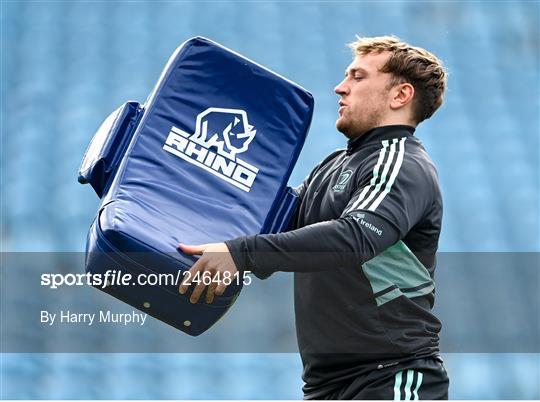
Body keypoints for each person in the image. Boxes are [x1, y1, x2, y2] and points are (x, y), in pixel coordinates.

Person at [178, 35, 449, 400]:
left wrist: (241, 253)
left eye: (357, 77)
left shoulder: (401, 164)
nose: (340, 87)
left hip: (392, 378)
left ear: (400, 96)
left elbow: (355, 238)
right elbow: (269, 229)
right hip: (327, 387)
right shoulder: (332, 166)